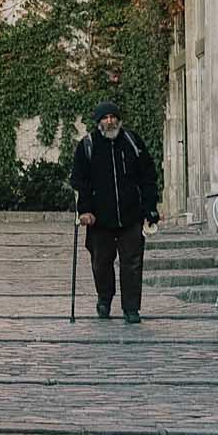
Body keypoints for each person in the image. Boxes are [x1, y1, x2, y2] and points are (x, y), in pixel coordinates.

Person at [70, 102, 159, 323]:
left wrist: (150, 208)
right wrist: (85, 211)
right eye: (105, 118)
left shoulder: (132, 141)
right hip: (100, 219)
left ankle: (131, 308)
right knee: (101, 262)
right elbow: (79, 181)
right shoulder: (87, 146)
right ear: (98, 121)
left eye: (113, 117)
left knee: (132, 263)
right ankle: (104, 299)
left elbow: (148, 176)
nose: (110, 121)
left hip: (131, 216)